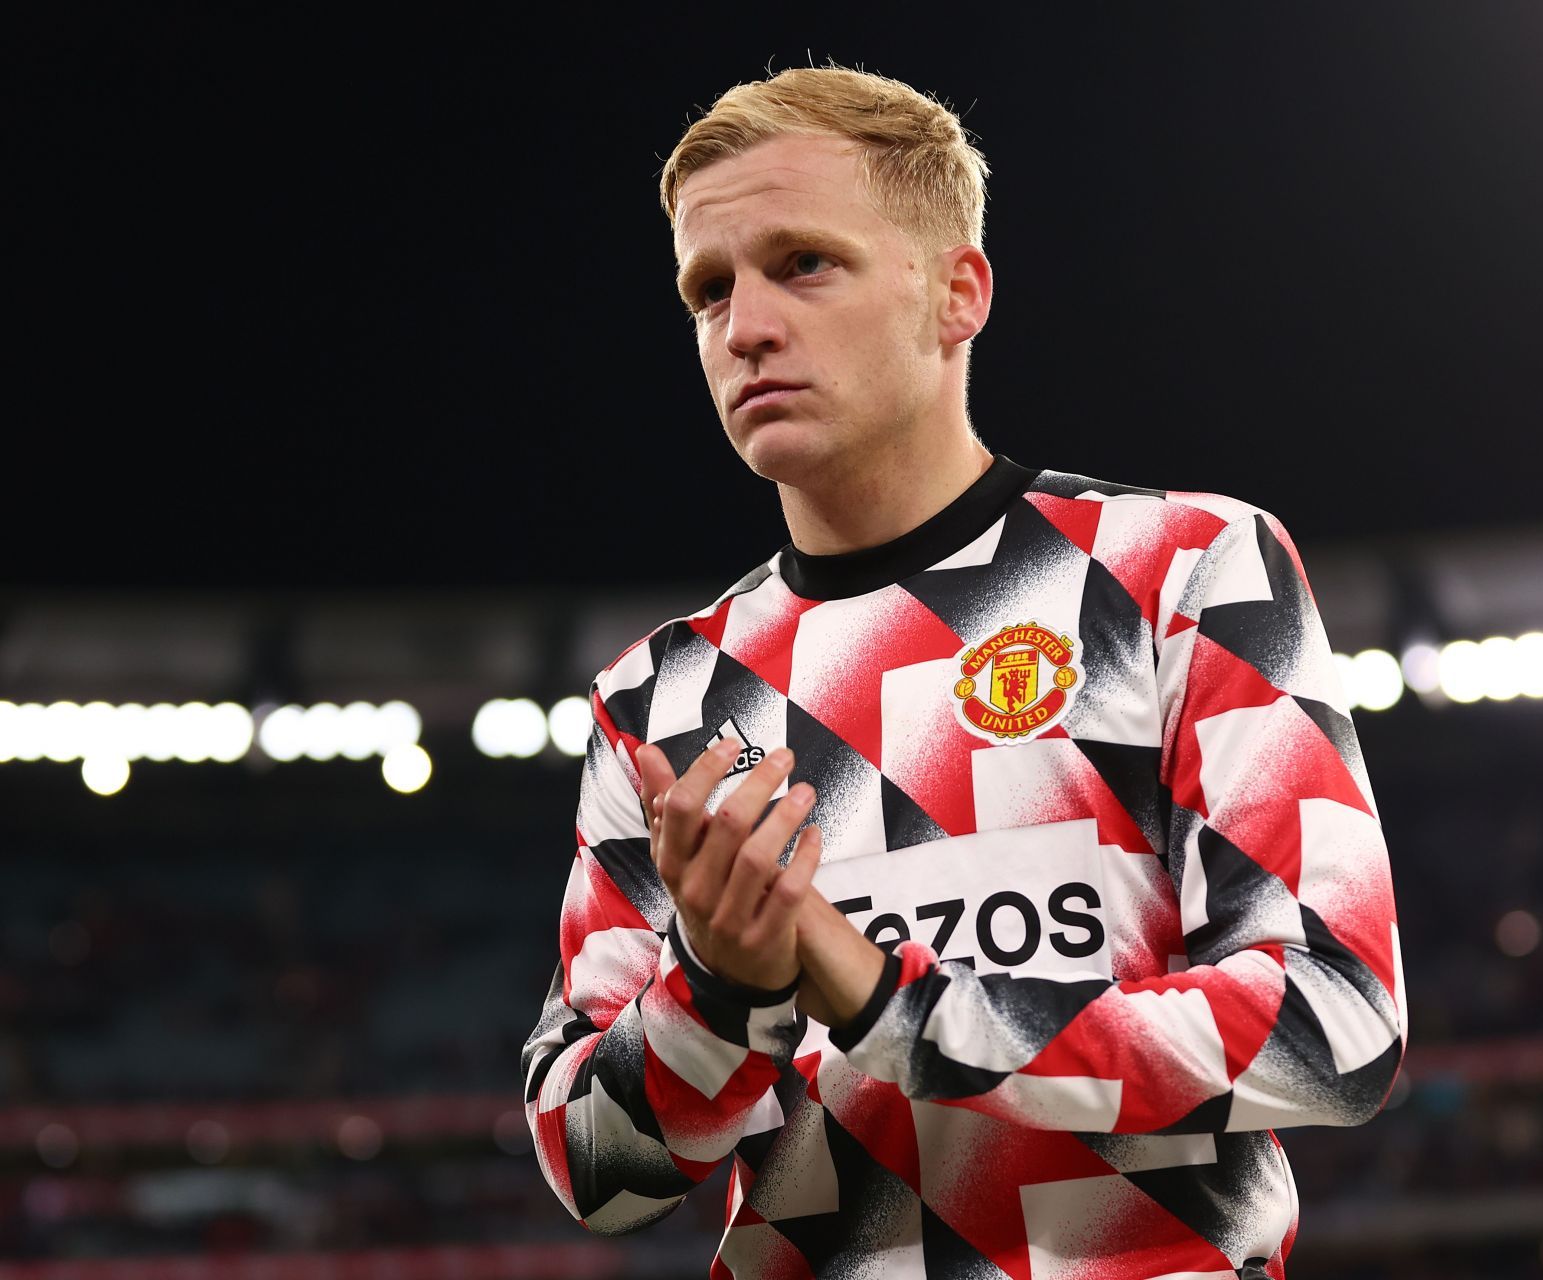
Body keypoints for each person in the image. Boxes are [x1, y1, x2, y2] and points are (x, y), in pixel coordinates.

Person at [521, 64, 1407, 1278]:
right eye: (708, 287)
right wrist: (719, 993)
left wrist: (900, 1006)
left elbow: (1336, 1022)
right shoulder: (658, 696)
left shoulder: (1179, 568)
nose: (745, 326)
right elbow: (593, 1166)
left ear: (957, 292)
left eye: (803, 263)